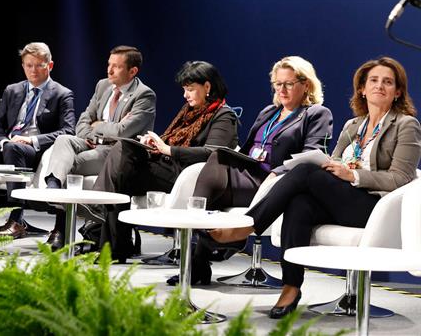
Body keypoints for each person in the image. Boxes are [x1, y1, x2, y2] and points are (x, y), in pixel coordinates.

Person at [202, 56, 421, 319]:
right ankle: (291, 287)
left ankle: (248, 225)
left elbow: (402, 178)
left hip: (374, 207)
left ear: (398, 91)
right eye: (373, 80)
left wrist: (353, 176)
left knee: (305, 171)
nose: (379, 86)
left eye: (388, 82)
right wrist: (334, 168)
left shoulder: (406, 125)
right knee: (300, 203)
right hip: (345, 199)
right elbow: (336, 160)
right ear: (362, 88)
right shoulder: (354, 126)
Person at [167, 55, 333, 286]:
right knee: (218, 157)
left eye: (288, 84)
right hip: (248, 172)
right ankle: (204, 252)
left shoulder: (316, 114)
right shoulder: (269, 112)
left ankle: (201, 256)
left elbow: (311, 156)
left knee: (216, 162)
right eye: (278, 84)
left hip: (273, 182)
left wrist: (279, 172)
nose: (282, 89)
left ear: (305, 85)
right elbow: (247, 150)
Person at [82, 61, 239, 263]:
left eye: (190, 89)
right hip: (169, 167)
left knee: (123, 154)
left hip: (188, 176)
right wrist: (154, 143)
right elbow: (170, 139)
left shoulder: (224, 116)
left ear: (207, 87)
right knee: (122, 167)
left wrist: (168, 149)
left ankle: (101, 219)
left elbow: (213, 153)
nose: (186, 95)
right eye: (184, 89)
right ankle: (112, 248)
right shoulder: (188, 111)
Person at [0, 42, 76, 233]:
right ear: (23, 66)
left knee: (14, 148)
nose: (33, 70)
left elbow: (68, 131)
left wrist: (31, 140)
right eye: (28, 65)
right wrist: (3, 141)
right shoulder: (13, 90)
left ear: (49, 65)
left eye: (39, 65)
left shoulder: (62, 94)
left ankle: (16, 219)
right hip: (8, 146)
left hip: (34, 151)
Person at [44, 46, 156, 250]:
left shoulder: (144, 95)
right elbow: (82, 123)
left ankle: (61, 228)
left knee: (72, 165)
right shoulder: (103, 86)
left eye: (117, 67)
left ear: (132, 71)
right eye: (109, 64)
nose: (110, 70)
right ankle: (53, 184)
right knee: (63, 140)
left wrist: (98, 126)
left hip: (115, 153)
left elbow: (122, 132)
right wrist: (95, 130)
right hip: (90, 142)